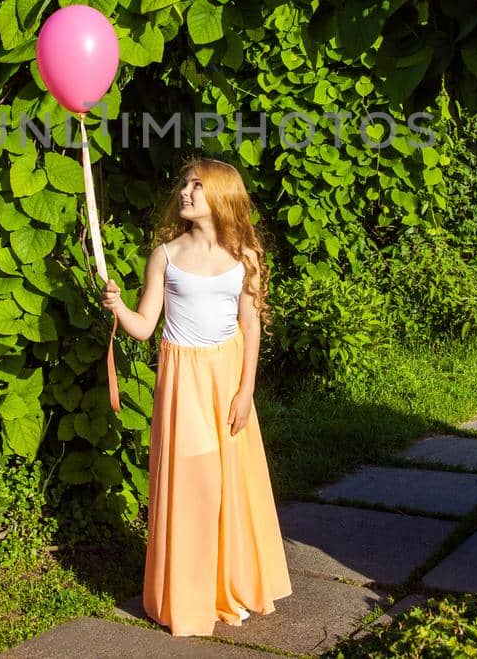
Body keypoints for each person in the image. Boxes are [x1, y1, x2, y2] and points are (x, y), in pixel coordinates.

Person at [100, 155, 294, 637]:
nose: (185, 192)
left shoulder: (243, 257)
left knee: (231, 483)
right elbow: (145, 328)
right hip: (183, 379)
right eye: (184, 184)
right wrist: (119, 306)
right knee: (192, 484)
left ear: (222, 197)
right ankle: (187, 595)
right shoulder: (166, 256)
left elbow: (250, 326)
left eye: (197, 186)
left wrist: (246, 390)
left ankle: (228, 585)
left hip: (227, 377)